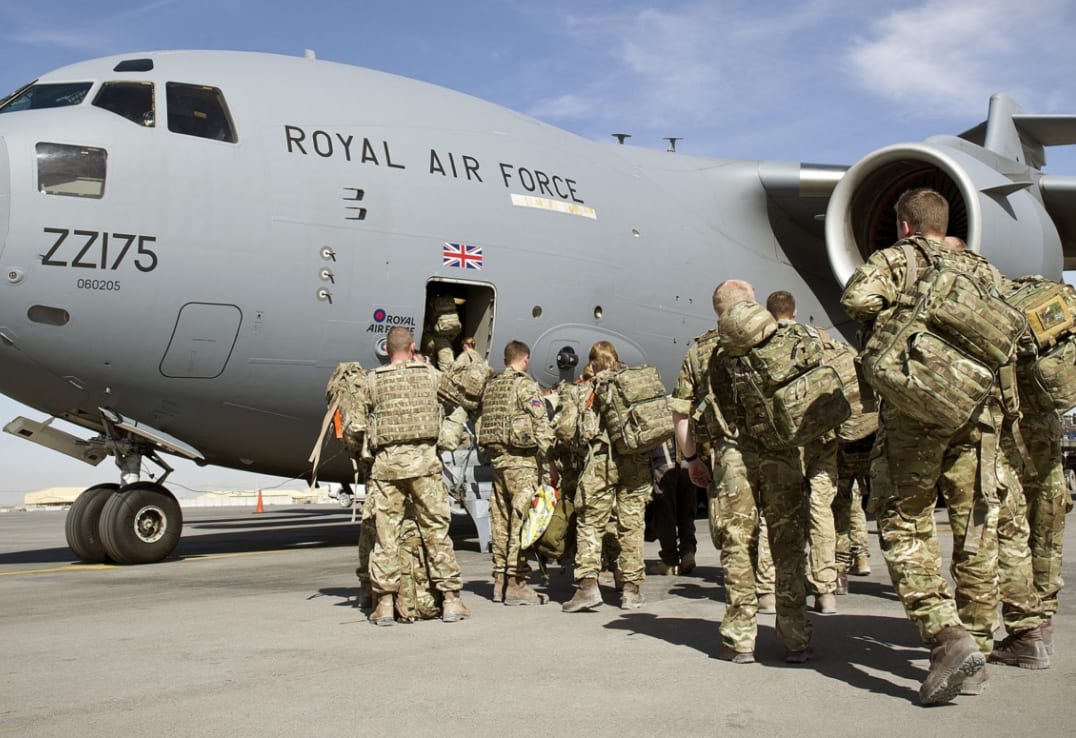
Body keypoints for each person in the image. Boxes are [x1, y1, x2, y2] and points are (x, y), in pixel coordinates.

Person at [840, 187, 1011, 703]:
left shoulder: (897, 260)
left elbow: (857, 299)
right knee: (975, 523)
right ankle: (978, 643)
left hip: (916, 409)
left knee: (901, 518)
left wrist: (904, 312)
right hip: (976, 411)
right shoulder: (982, 269)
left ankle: (946, 636)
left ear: (906, 226)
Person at [716, 299, 814, 664]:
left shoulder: (710, 351)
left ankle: (740, 641)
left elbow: (691, 408)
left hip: (735, 457)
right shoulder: (790, 341)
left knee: (738, 546)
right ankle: (796, 639)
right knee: (788, 547)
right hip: (783, 454)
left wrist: (694, 458)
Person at [361, 326, 469, 625]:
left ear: (386, 349)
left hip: (386, 467)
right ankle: (451, 600)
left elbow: (357, 426)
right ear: (412, 348)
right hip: (424, 464)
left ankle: (383, 603)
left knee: (386, 536)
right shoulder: (429, 374)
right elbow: (459, 399)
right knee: (436, 531)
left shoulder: (372, 380)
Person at [562, 341, 654, 612]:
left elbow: (566, 432)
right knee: (631, 525)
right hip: (635, 462)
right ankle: (631, 591)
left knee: (590, 522)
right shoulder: (631, 384)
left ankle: (588, 587)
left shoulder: (583, 390)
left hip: (600, 462)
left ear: (591, 362)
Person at [766, 289, 840, 614]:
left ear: (770, 314)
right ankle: (826, 590)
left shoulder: (763, 343)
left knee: (777, 512)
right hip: (823, 434)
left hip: (784, 438)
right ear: (795, 312)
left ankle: (769, 588)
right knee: (820, 508)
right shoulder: (820, 337)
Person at [478, 340, 553, 605]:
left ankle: (499, 581)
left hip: (498, 463)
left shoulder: (492, 386)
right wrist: (551, 462)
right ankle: (516, 582)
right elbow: (541, 424)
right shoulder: (525, 385)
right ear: (526, 359)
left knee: (500, 522)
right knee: (521, 524)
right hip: (521, 464)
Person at [648, 444, 699, 576]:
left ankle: (670, 561)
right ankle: (688, 551)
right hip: (687, 459)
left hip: (663, 461)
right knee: (686, 510)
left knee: (665, 514)